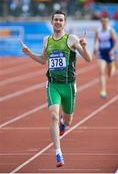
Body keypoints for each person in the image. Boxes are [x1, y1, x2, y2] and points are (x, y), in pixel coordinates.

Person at [19, 10, 92, 167]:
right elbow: (42, 60)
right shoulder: (47, 40)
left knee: (68, 119)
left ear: (64, 23)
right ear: (52, 22)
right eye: (56, 20)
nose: (58, 22)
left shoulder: (71, 39)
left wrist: (84, 47)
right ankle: (58, 153)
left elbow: (88, 59)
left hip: (69, 86)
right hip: (52, 85)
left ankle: (64, 125)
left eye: (61, 20)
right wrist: (29, 53)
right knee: (53, 116)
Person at [93, 16, 118, 98]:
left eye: (106, 21)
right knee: (101, 72)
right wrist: (95, 48)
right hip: (101, 53)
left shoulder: (110, 31)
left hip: (109, 52)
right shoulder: (98, 31)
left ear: (108, 22)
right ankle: (103, 91)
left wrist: (113, 50)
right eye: (103, 21)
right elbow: (96, 41)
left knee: (110, 73)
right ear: (101, 22)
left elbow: (116, 41)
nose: (104, 22)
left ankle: (112, 65)